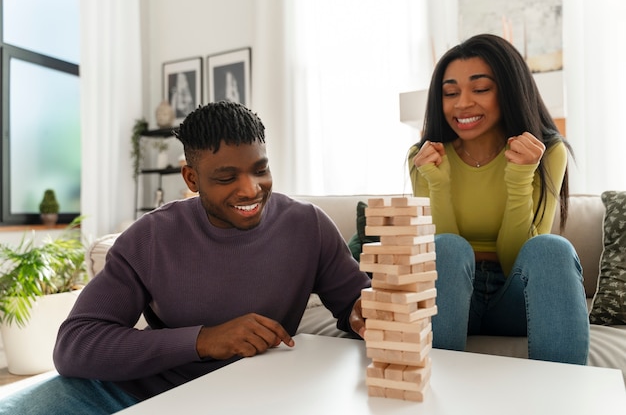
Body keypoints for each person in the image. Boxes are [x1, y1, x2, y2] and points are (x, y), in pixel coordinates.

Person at [0, 101, 371, 414]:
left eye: (260, 170)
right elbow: (74, 345)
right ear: (192, 178)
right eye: (227, 177)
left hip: (260, 391)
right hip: (150, 394)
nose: (251, 189)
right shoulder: (149, 238)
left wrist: (365, 315)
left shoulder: (308, 225)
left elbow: (354, 301)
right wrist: (204, 340)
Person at [407, 34, 589, 364]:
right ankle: (436, 395)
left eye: (480, 89)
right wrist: (439, 184)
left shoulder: (547, 152)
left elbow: (514, 257)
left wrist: (520, 177)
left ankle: (564, 397)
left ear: (509, 90)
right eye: (450, 93)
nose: (461, 103)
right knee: (447, 247)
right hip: (450, 297)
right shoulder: (424, 158)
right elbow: (439, 255)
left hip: (517, 296)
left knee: (552, 248)